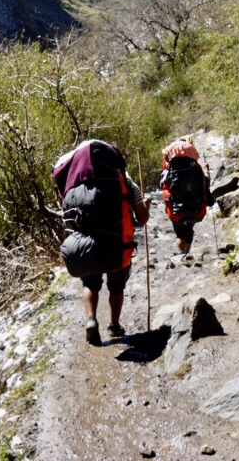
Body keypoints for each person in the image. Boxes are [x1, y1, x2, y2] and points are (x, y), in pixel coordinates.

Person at [53, 139, 150, 346]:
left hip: (86, 249)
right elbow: (142, 219)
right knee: (116, 286)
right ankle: (114, 325)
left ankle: (91, 319)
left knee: (90, 283)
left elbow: (68, 224)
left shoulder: (73, 189)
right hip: (117, 248)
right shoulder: (126, 182)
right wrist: (145, 206)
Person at [159, 138, 213, 257]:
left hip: (175, 211)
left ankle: (181, 254)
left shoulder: (169, 169)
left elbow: (164, 187)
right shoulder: (196, 168)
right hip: (195, 209)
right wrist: (207, 171)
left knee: (179, 233)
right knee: (189, 228)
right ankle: (187, 253)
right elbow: (206, 184)